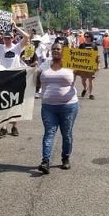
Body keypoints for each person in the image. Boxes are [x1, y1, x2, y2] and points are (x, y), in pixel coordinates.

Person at [36, 42, 79, 174]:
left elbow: (88, 73)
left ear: (63, 51)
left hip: (68, 106)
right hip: (48, 107)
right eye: (53, 49)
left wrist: (95, 64)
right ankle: (45, 161)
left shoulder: (71, 64)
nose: (55, 51)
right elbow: (36, 80)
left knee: (66, 134)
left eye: (58, 49)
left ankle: (65, 158)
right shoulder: (44, 65)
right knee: (49, 133)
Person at [0, 20, 30, 136]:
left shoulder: (17, 47)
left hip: (15, 77)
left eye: (9, 38)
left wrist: (16, 27)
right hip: (3, 77)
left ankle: (14, 126)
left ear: (13, 38)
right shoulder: (0, 47)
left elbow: (26, 37)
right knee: (4, 102)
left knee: (15, 103)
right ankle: (3, 126)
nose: (7, 40)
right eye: (5, 38)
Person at [76, 33, 99, 99]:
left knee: (90, 80)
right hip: (83, 66)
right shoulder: (82, 45)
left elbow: (97, 56)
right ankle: (85, 88)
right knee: (83, 80)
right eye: (85, 36)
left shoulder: (94, 45)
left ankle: (90, 94)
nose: (85, 37)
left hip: (91, 66)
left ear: (90, 37)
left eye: (87, 36)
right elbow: (77, 55)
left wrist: (98, 66)